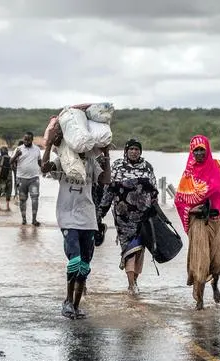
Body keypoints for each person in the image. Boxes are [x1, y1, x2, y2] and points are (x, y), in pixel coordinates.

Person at [42, 128, 111, 319]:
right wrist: (48, 146)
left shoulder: (90, 162)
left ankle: (76, 304)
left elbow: (106, 180)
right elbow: (44, 168)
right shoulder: (63, 159)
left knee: (84, 265)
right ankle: (67, 301)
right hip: (68, 216)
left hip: (88, 218)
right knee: (74, 261)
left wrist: (106, 154)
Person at [174, 135, 220, 310]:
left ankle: (215, 283)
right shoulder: (189, 174)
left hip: (219, 219)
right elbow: (180, 200)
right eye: (196, 150)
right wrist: (191, 210)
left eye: (202, 149)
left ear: (208, 149)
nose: (199, 153)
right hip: (199, 222)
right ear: (191, 152)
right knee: (200, 263)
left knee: (217, 262)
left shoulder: (218, 166)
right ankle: (199, 300)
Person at [100, 139, 159, 295]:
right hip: (123, 218)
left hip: (143, 217)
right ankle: (131, 284)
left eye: (137, 149)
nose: (134, 152)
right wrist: (101, 212)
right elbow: (108, 191)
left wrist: (156, 212)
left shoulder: (147, 167)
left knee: (140, 250)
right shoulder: (118, 166)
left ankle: (134, 281)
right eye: (131, 149)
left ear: (140, 151)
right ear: (126, 151)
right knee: (129, 250)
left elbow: (154, 192)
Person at [11, 132, 42, 226]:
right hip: (21, 179)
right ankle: (24, 219)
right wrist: (16, 155)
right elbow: (10, 162)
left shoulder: (37, 149)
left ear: (32, 140)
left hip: (34, 179)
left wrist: (45, 171)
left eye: (28, 139)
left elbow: (40, 162)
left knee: (35, 199)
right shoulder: (18, 149)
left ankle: (34, 220)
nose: (26, 141)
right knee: (23, 199)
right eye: (25, 139)